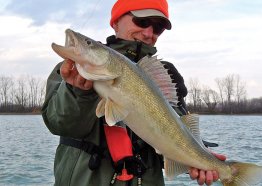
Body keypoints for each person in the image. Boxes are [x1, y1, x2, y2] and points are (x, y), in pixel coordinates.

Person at [42, 0, 226, 185]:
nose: (148, 33)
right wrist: (79, 92)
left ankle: (232, 174)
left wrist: (197, 158)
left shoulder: (166, 74)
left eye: (158, 28)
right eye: (142, 22)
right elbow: (61, 125)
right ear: (115, 22)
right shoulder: (70, 71)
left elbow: (175, 133)